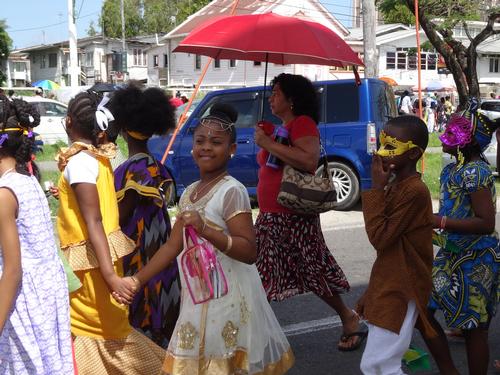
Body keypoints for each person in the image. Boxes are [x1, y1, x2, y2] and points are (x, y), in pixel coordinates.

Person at [116, 103, 294, 374]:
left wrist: (207, 230)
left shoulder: (232, 191)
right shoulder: (190, 193)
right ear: (192, 147)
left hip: (228, 298)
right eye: (200, 141)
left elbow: (249, 251)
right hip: (196, 297)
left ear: (232, 149)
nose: (206, 147)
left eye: (216, 142)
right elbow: (172, 246)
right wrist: (136, 281)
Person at [57, 91, 166, 374]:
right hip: (102, 258)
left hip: (94, 264)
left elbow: (94, 220)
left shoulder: (80, 162)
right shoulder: (97, 158)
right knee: (106, 328)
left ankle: (156, 368)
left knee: (98, 329)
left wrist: (110, 278)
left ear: (69, 122)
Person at [254, 73, 364, 351]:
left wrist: (268, 144)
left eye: (276, 92)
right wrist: (268, 138)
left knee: (311, 271)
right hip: (270, 214)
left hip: (291, 214)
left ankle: (347, 316)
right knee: (259, 274)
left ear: (291, 99)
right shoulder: (281, 127)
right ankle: (253, 332)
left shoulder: (302, 123)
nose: (271, 97)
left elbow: (308, 160)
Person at [0, 94, 74, 374]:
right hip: (44, 300)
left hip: (19, 305)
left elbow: (13, 270)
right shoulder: (27, 181)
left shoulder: (5, 195)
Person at [423, 109, 500, 375]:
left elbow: (486, 223)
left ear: (465, 140)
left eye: (450, 130)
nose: (443, 134)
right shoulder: (453, 170)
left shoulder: (475, 172)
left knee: (474, 329)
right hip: (451, 255)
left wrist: (439, 221)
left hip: (475, 260)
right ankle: (449, 369)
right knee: (424, 311)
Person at [357, 115, 434, 374]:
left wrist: (376, 189)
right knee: (378, 364)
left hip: (403, 286)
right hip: (390, 282)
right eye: (381, 144)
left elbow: (379, 238)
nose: (380, 153)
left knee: (378, 364)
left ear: (412, 153)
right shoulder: (398, 185)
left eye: (390, 147)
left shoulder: (414, 191)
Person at [109, 83, 181, 346]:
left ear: (123, 128)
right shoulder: (154, 164)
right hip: (159, 253)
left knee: (145, 333)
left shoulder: (135, 168)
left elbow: (120, 215)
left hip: (141, 255)